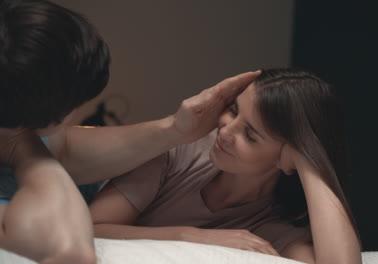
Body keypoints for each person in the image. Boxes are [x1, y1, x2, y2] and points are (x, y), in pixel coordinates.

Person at [0, 0, 259, 263]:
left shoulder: (18, 121)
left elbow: (64, 147)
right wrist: (27, 150)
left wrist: (176, 129)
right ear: (23, 125)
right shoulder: (25, 146)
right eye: (73, 110)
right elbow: (70, 250)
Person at [90, 68, 362, 264]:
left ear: (286, 159)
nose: (225, 132)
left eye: (250, 135)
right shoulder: (178, 149)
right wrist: (195, 236)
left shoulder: (279, 227)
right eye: (233, 110)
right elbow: (90, 227)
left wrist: (309, 161)